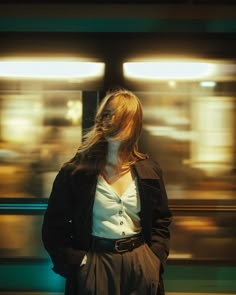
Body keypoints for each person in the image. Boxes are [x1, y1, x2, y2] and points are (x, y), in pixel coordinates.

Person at [42, 88, 172, 295]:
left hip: (140, 261)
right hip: (96, 262)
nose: (110, 121)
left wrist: (154, 260)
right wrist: (78, 262)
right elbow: (53, 226)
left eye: (119, 117)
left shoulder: (150, 169)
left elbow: (161, 220)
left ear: (134, 123)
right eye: (107, 114)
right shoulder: (76, 171)